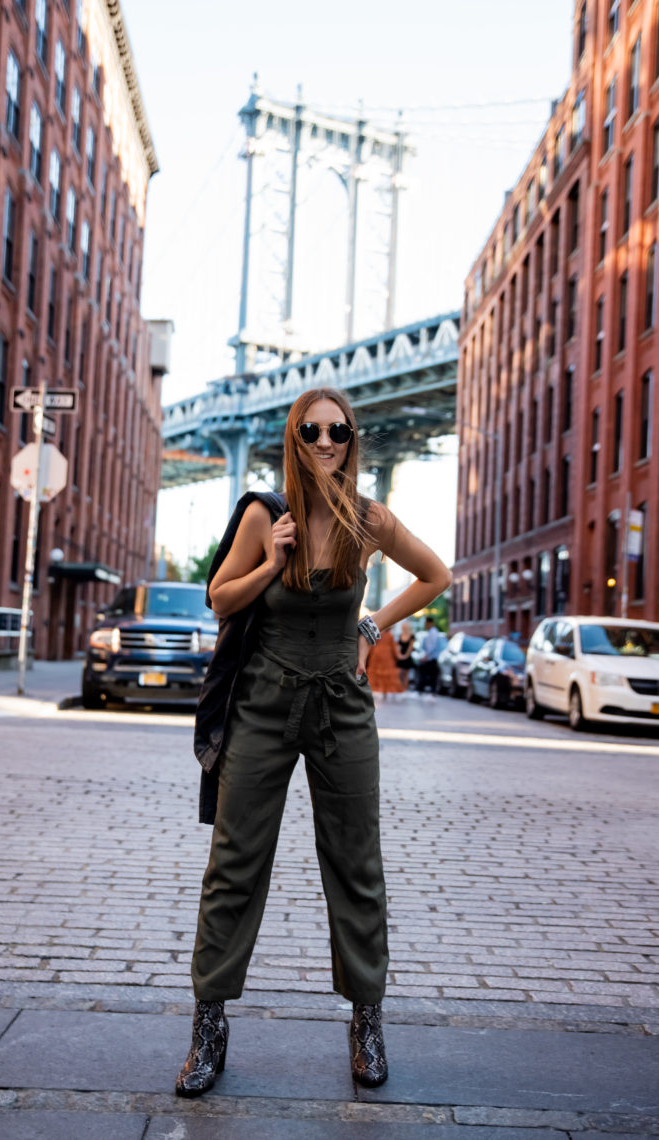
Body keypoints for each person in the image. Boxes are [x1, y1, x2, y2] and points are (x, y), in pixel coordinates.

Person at [176, 387, 451, 1097]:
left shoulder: (368, 519)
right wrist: (270, 562)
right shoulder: (265, 514)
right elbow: (219, 597)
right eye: (312, 429)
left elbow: (435, 576)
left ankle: (366, 1022)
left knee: (356, 863)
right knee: (234, 864)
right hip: (262, 709)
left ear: (351, 438)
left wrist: (370, 627)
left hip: (341, 709)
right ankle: (208, 1027)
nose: (326, 440)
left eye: (338, 430)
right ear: (292, 437)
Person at [365, 624, 404, 701]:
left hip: (376, 655)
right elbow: (393, 648)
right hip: (387, 656)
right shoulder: (390, 635)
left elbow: (371, 646)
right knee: (387, 674)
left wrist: (369, 655)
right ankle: (385, 692)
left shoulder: (376, 634)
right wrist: (397, 656)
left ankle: (377, 690)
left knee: (375, 673)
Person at [417, 615, 441, 697]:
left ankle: (427, 691)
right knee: (429, 675)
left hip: (431, 658)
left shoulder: (433, 632)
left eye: (426, 623)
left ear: (429, 623)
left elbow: (432, 646)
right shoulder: (431, 632)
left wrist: (426, 656)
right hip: (430, 657)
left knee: (428, 675)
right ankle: (426, 691)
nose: (425, 625)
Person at [395, 620, 415, 692]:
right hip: (400, 656)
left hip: (407, 657)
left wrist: (405, 656)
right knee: (400, 673)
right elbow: (397, 646)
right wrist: (399, 655)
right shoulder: (400, 635)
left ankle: (405, 688)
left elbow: (410, 648)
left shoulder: (411, 636)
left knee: (406, 673)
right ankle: (400, 687)